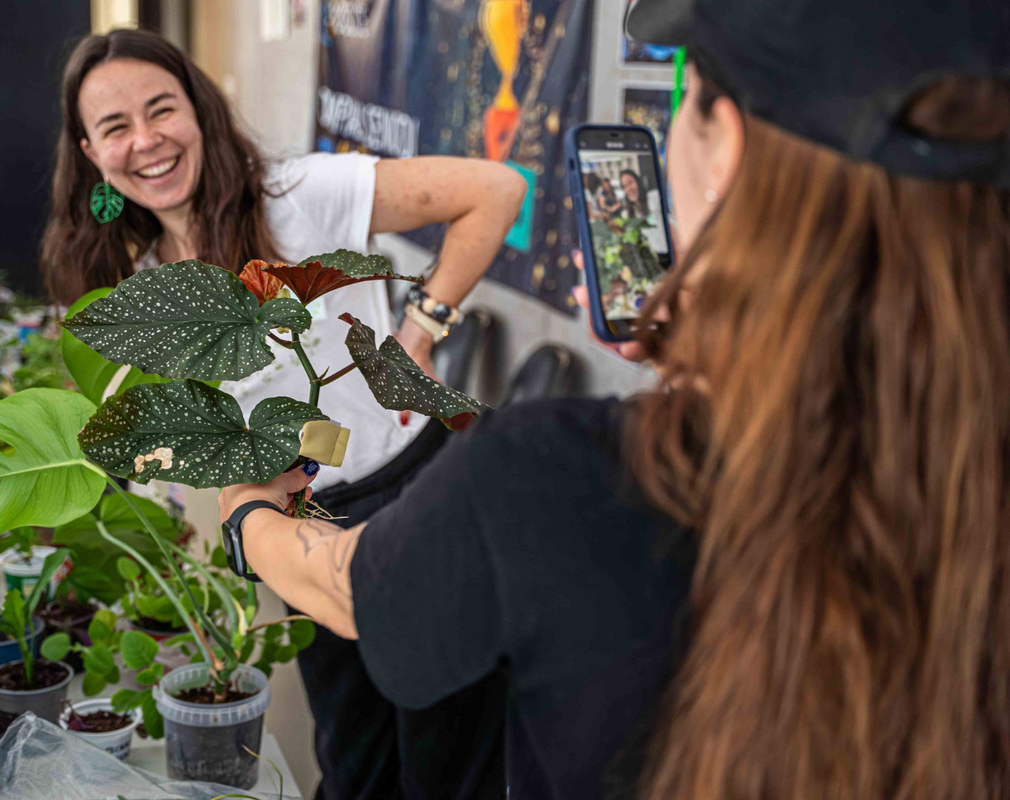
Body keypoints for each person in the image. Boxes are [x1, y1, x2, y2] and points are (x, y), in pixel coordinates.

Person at [219, 0, 1010, 797]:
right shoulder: (964, 486)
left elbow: (345, 588)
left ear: (725, 148)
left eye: (689, 99)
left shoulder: (552, 478)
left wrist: (246, 517)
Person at [39, 29, 527, 800]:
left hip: (416, 495)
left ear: (200, 112)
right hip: (304, 526)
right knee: (355, 762)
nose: (146, 141)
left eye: (162, 110)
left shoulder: (301, 193)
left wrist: (419, 333)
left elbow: (496, 189)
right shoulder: (138, 282)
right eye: (115, 128)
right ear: (90, 152)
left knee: (448, 762)